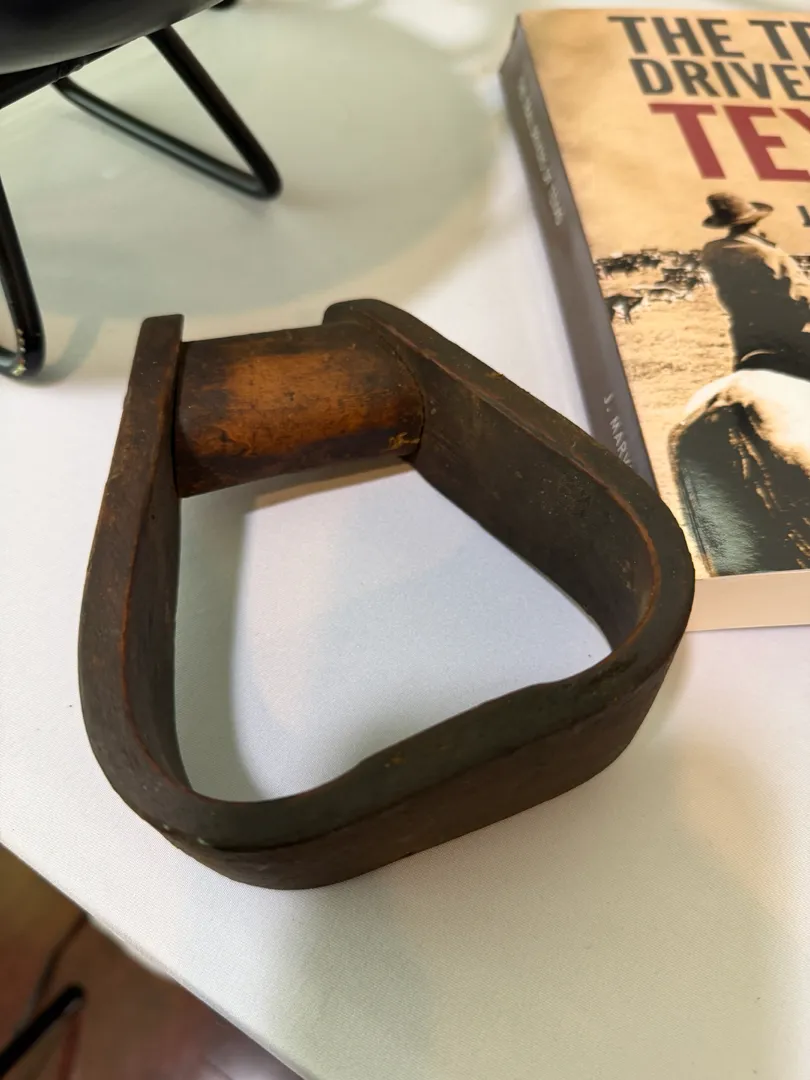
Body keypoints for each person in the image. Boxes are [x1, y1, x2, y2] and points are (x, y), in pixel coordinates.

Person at [701, 192, 810, 381]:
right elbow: (801, 297)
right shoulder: (768, 254)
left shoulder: (713, 250)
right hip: (787, 336)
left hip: (744, 335)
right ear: (755, 222)